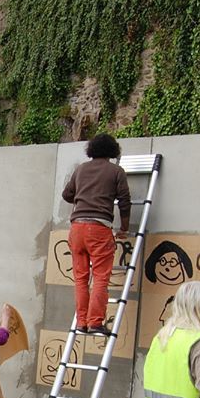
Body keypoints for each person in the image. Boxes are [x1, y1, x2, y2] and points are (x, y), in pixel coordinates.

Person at [61, 133, 131, 335]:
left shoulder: (81, 169)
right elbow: (124, 201)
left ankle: (81, 322)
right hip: (98, 228)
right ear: (112, 151)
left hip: (76, 229)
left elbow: (67, 194)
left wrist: (83, 196)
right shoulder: (116, 171)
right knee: (100, 277)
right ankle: (95, 322)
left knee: (81, 278)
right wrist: (124, 228)